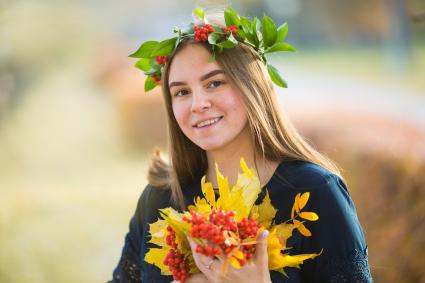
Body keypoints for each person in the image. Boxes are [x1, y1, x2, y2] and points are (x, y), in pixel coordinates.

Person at [109, 7, 373, 283]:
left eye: (214, 83)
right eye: (182, 92)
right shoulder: (160, 198)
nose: (198, 104)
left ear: (252, 86)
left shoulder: (316, 193)